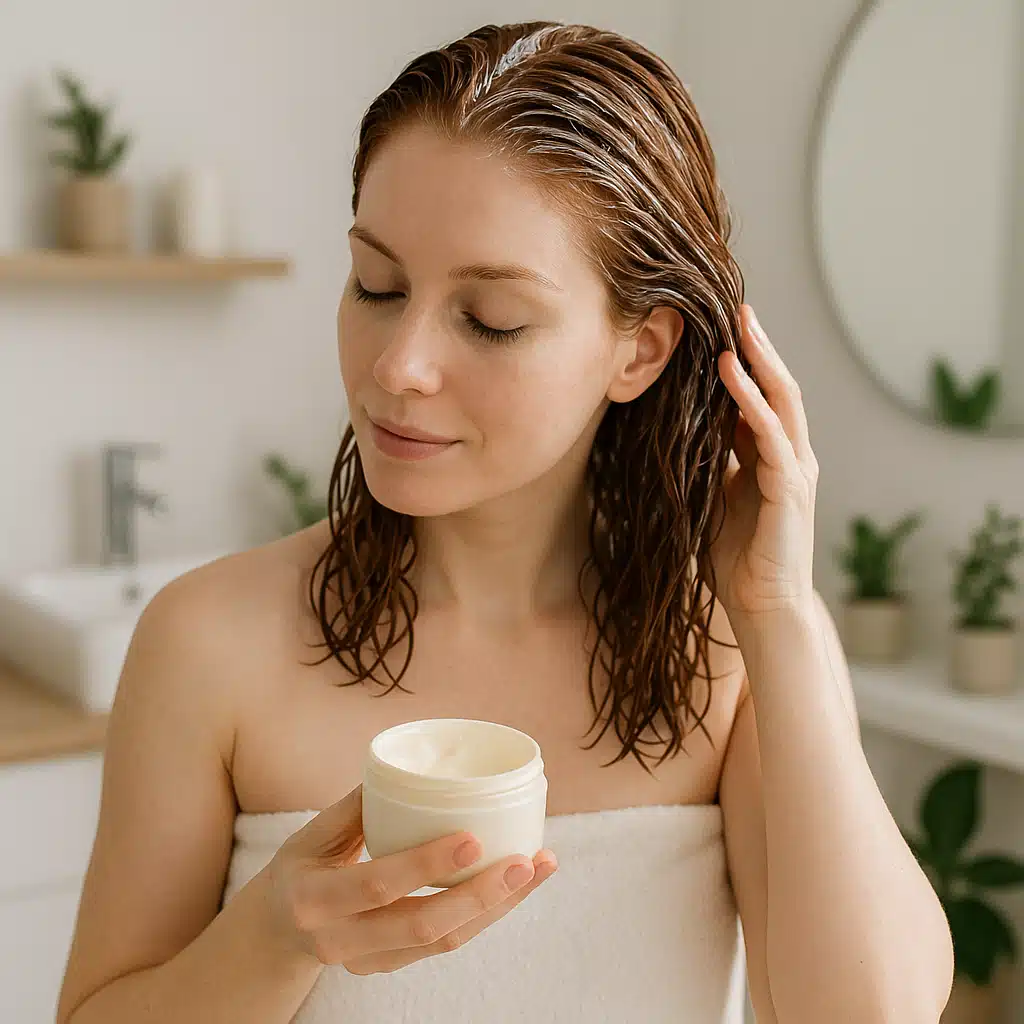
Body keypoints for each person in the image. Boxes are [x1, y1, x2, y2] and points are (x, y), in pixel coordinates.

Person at [55, 20, 953, 1024]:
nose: (398, 365)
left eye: (490, 319)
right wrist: (277, 934)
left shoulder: (726, 655)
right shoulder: (207, 642)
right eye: (378, 285)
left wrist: (779, 612)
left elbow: (869, 1014)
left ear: (640, 352)